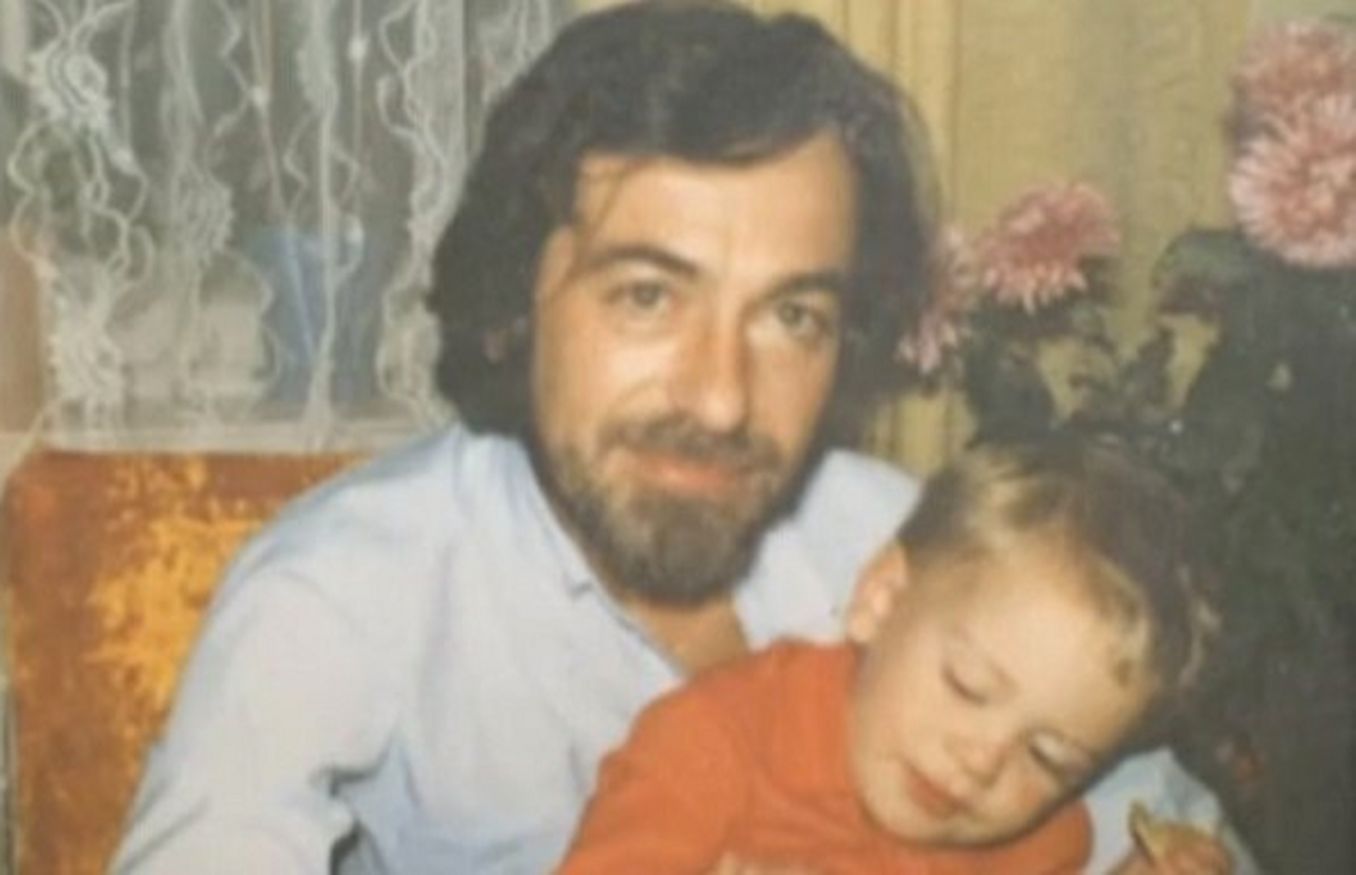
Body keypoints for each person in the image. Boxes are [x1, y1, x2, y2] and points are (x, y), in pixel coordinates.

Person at [111, 3, 1255, 873]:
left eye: (792, 315)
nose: (720, 399)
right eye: (649, 295)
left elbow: (1163, 823)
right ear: (514, 302)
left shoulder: (902, 541)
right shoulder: (340, 594)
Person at [558, 439, 1232, 874]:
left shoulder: (1041, 842)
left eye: (1049, 758)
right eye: (968, 686)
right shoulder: (711, 746)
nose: (982, 760)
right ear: (882, 598)